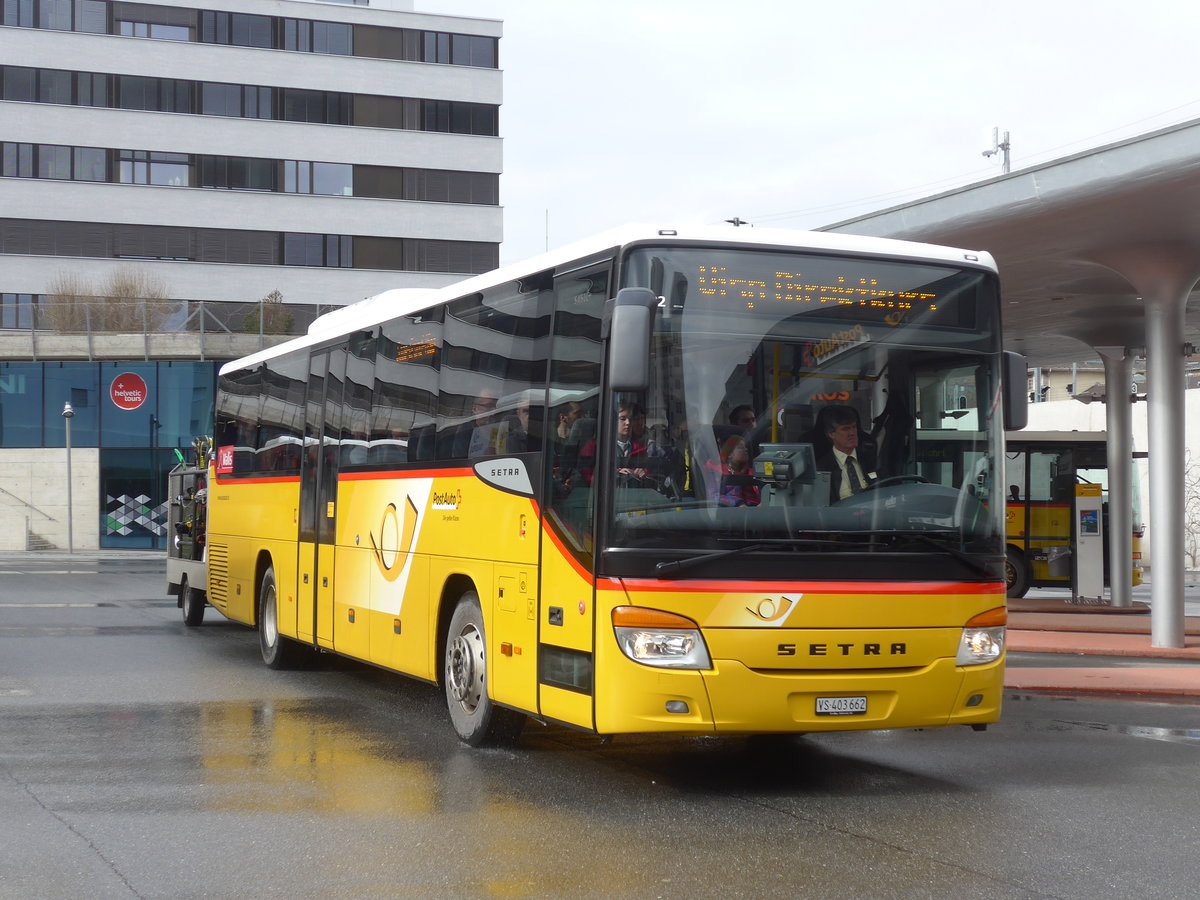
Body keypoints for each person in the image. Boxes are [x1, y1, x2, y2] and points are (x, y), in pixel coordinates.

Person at [815, 405, 876, 502]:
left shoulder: (870, 458)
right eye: (845, 429)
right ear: (831, 434)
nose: (852, 433)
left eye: (854, 427)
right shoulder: (822, 468)